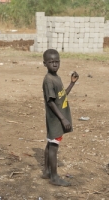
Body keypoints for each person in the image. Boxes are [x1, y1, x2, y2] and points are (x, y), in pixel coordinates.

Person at [41, 49, 79, 187]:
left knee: (50, 143)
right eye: (51, 62)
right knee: (53, 146)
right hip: (55, 119)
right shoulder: (48, 80)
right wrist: (63, 119)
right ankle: (54, 177)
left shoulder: (56, 77)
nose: (55, 64)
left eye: (57, 61)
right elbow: (51, 102)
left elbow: (61, 96)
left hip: (57, 118)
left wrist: (72, 83)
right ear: (44, 63)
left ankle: (46, 171)